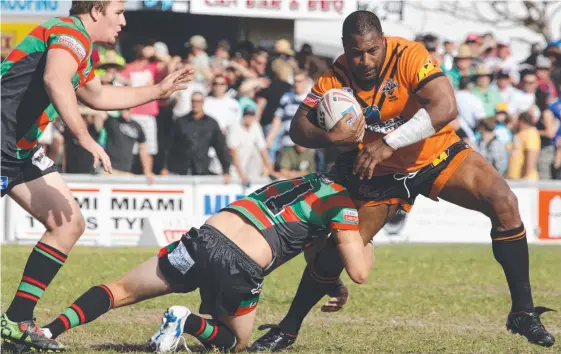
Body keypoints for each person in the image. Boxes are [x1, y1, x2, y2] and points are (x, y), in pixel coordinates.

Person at [250, 10, 555, 351]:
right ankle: (287, 329)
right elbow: (298, 128)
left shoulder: (408, 54)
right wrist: (334, 137)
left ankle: (523, 312)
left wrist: (387, 143)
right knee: (340, 253)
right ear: (344, 48)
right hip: (380, 175)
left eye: (371, 50)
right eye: (355, 52)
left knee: (504, 201)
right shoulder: (335, 75)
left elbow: (446, 107)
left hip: (435, 155)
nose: (364, 60)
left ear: (382, 41)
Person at [0, 1, 194, 351]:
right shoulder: (68, 31)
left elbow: (98, 95)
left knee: (69, 223)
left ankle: (17, 320)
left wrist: (158, 91)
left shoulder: (79, 50)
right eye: (118, 12)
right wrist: (85, 137)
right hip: (2, 142)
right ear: (95, 11)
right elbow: (54, 79)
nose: (123, 20)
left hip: (18, 150)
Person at [39, 173, 370, 353]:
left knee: (120, 289)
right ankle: (186, 321)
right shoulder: (343, 204)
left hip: (204, 237)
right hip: (241, 262)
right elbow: (359, 271)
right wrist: (367, 238)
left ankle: (47, 330)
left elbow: (309, 242)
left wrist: (330, 280)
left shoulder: (307, 180)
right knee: (235, 343)